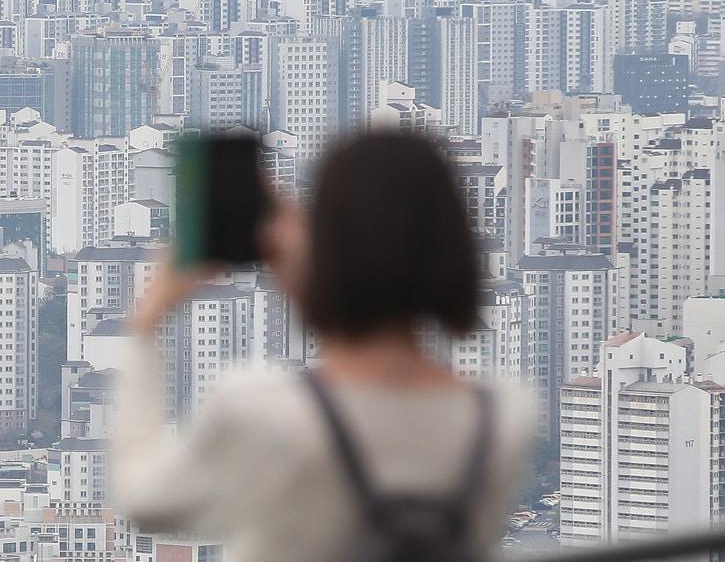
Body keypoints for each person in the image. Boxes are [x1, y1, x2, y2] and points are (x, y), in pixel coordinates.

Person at [113, 133, 534, 561]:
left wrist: (148, 321)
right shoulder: (504, 417)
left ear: (326, 250)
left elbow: (143, 500)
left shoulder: (264, 412)